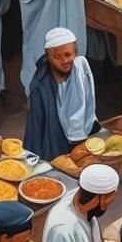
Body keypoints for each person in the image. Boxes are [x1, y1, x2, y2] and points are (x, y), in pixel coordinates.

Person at [24, 28, 98, 162]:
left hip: (81, 140)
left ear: (75, 52)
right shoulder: (40, 86)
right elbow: (35, 125)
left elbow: (88, 105)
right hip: (55, 142)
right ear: (48, 56)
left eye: (68, 55)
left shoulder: (81, 71)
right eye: (57, 57)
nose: (64, 61)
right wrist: (31, 159)